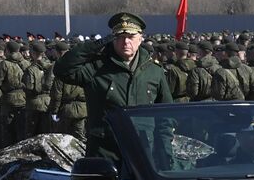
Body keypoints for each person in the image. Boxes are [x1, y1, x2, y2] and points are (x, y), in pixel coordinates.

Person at [51, 12, 173, 161]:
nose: (125, 42)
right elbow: (62, 70)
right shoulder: (97, 68)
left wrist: (164, 153)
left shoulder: (154, 71)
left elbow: (166, 116)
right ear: (112, 39)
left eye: (131, 37)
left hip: (143, 151)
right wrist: (94, 46)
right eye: (120, 37)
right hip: (105, 151)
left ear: (141, 39)